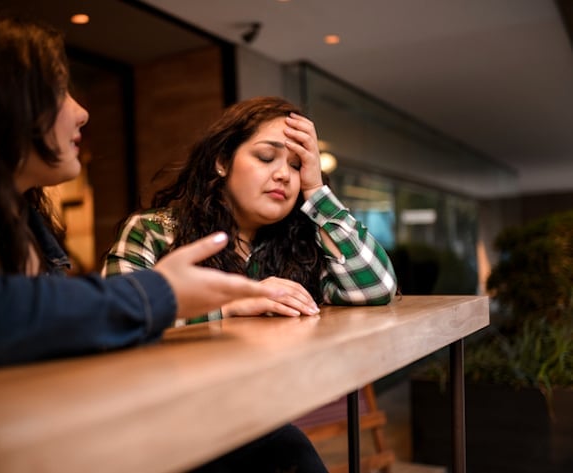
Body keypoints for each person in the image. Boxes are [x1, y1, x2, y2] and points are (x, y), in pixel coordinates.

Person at [0, 12, 279, 368]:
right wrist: (166, 293)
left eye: (298, 165)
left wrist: (318, 194)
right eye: (57, 90)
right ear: (1, 102)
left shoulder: (25, 225)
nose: (82, 112)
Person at [104, 96, 397, 325]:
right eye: (266, 157)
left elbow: (377, 289)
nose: (284, 174)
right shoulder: (153, 230)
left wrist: (316, 190)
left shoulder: (304, 243)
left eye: (297, 166)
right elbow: (112, 319)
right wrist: (228, 308)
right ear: (222, 161)